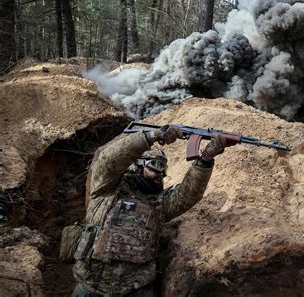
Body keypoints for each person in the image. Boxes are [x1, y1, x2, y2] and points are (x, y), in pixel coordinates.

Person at [71, 125, 227, 296]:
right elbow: (109, 160)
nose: (158, 173)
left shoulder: (159, 203)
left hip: (136, 290)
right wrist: (151, 136)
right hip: (90, 286)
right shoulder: (106, 189)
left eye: (163, 169)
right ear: (136, 165)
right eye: (154, 166)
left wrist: (205, 160)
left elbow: (189, 194)